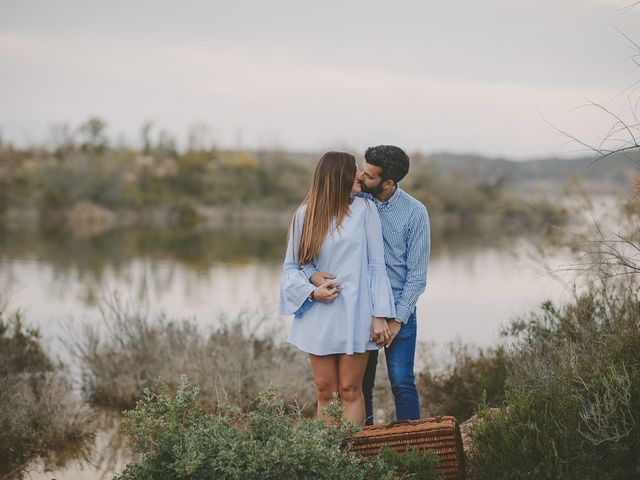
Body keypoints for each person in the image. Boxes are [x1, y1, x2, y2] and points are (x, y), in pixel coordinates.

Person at [307, 145, 430, 425]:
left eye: (369, 175)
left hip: (399, 310)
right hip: (363, 308)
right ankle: (367, 446)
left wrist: (397, 320)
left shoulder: (414, 213)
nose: (360, 177)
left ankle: (413, 448)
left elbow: (417, 275)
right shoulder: (356, 201)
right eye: (362, 169)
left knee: (402, 382)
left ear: (388, 182)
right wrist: (312, 275)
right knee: (360, 386)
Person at [278, 151, 396, 425]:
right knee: (325, 391)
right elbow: (292, 267)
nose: (359, 176)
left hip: (357, 312)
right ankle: (330, 461)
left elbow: (376, 266)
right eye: (353, 170)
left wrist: (379, 316)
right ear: (337, 177)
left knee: (350, 390)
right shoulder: (305, 215)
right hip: (320, 311)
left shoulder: (365, 211)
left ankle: (352, 459)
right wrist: (312, 289)